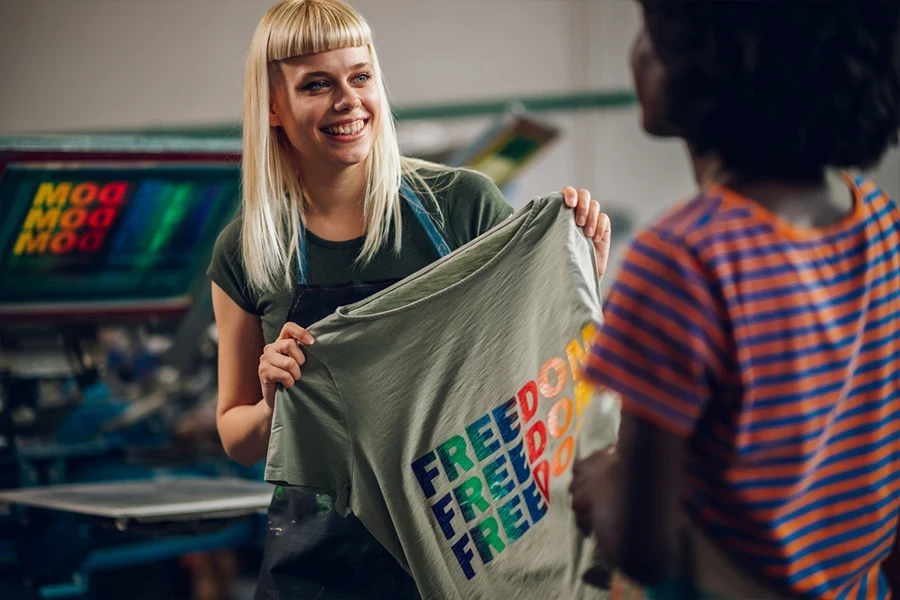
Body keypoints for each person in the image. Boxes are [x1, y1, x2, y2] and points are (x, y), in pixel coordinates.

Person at [207, 1, 611, 598]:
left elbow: (531, 357)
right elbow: (234, 432)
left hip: (463, 525)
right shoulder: (248, 247)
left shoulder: (459, 206)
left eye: (360, 76)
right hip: (318, 556)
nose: (347, 100)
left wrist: (576, 270)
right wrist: (276, 406)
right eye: (316, 84)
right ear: (272, 106)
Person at [570, 1, 900, 599]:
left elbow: (647, 549)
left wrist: (602, 486)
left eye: (648, 30)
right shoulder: (878, 220)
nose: (638, 49)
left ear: (705, 63)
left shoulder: (681, 260)